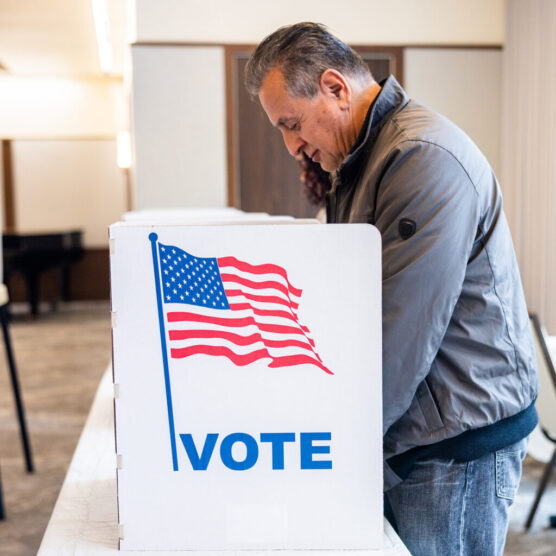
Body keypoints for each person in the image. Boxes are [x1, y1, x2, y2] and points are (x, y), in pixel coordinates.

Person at [245, 22, 539, 555]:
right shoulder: (363, 160)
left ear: (335, 87)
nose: (291, 146)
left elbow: (398, 335)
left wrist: (331, 448)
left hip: (453, 445)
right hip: (422, 429)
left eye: (292, 124)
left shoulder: (421, 158)